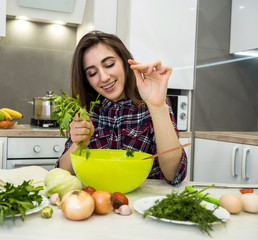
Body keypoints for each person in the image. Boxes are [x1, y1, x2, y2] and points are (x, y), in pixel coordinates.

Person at [56, 31, 187, 186]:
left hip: (145, 202)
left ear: (125, 62)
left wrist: (157, 107)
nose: (104, 77)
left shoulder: (151, 101)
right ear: (87, 80)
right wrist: (78, 144)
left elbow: (174, 174)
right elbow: (62, 175)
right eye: (92, 73)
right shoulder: (86, 111)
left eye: (109, 65)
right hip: (100, 202)